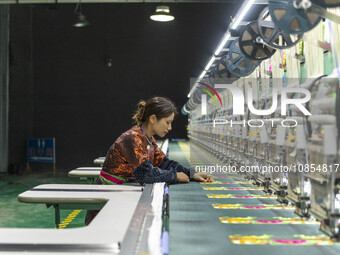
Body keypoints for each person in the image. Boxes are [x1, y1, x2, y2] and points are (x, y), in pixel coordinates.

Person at [85, 96, 213, 225]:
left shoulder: (147, 139)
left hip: (121, 193)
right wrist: (174, 176)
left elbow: (164, 162)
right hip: (108, 201)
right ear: (153, 119)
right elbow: (144, 174)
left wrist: (192, 174)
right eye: (167, 122)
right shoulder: (134, 138)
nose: (170, 128)